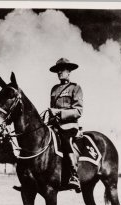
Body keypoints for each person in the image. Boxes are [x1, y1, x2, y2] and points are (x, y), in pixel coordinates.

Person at [49, 58, 83, 191]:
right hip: (55, 125)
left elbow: (78, 111)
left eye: (62, 70)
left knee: (65, 140)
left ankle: (74, 175)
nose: (59, 73)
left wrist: (58, 112)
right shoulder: (54, 89)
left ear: (69, 72)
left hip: (69, 126)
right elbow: (52, 108)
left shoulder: (76, 88)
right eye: (58, 70)